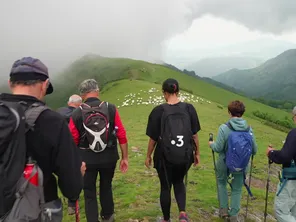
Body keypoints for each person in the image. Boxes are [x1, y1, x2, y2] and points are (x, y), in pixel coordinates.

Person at [0, 57, 85, 221]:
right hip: (37, 210)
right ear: (45, 84)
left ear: (10, 83)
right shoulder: (52, 121)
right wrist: (78, 173)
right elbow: (71, 187)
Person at [69, 79, 128, 222]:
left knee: (89, 192)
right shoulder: (111, 108)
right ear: (98, 91)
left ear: (82, 95)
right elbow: (121, 134)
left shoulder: (77, 113)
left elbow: (73, 140)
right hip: (109, 156)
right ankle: (108, 216)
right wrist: (124, 157)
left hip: (87, 159)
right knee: (106, 186)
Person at [145, 78, 201, 222]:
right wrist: (197, 153)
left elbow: (153, 138)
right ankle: (182, 214)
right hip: (184, 156)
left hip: (164, 157)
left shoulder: (158, 111)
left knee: (165, 186)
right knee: (179, 181)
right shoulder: (189, 109)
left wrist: (148, 156)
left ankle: (166, 219)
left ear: (164, 92)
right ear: (178, 91)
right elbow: (194, 135)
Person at [209, 100, 257, 222]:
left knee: (221, 183)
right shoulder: (249, 130)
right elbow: (255, 150)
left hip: (224, 162)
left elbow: (218, 148)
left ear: (229, 112)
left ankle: (224, 211)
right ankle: (234, 215)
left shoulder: (224, 128)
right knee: (237, 189)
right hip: (242, 165)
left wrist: (211, 144)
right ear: (242, 113)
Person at [266, 106, 296, 222]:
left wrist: (271, 153)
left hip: (291, 180)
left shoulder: (294, 133)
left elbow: (285, 156)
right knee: (293, 211)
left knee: (281, 212)